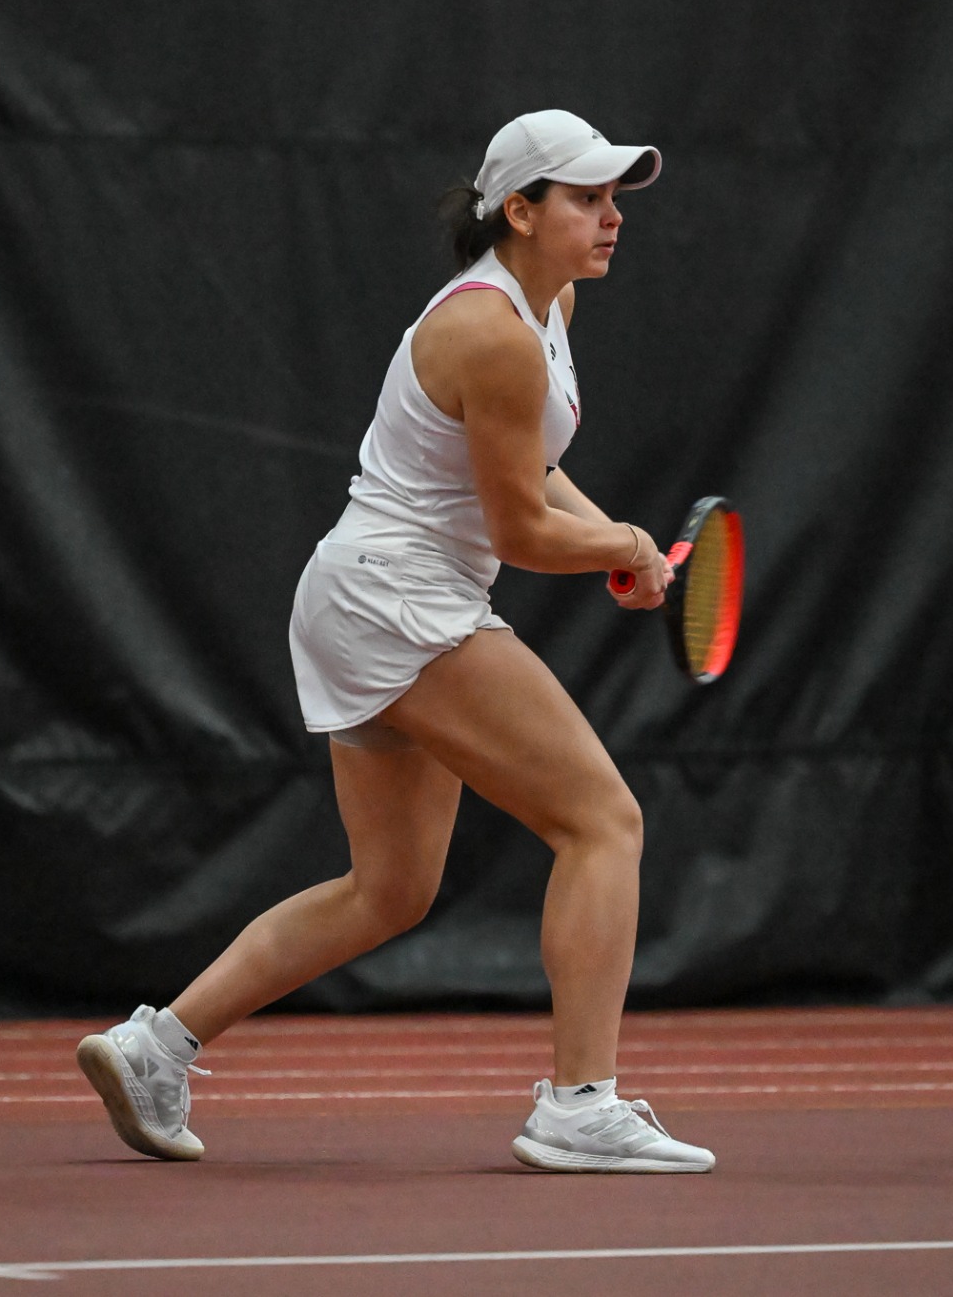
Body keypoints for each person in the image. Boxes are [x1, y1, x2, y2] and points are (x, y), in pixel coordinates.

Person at [76, 109, 715, 1174]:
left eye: (615, 198)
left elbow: (532, 470)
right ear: (518, 209)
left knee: (390, 889)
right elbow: (517, 527)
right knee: (603, 821)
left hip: (360, 595)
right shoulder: (492, 332)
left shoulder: (542, 312)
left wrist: (617, 544)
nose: (611, 217)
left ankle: (155, 1044)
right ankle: (578, 1102)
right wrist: (622, 544)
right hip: (400, 597)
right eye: (587, 198)